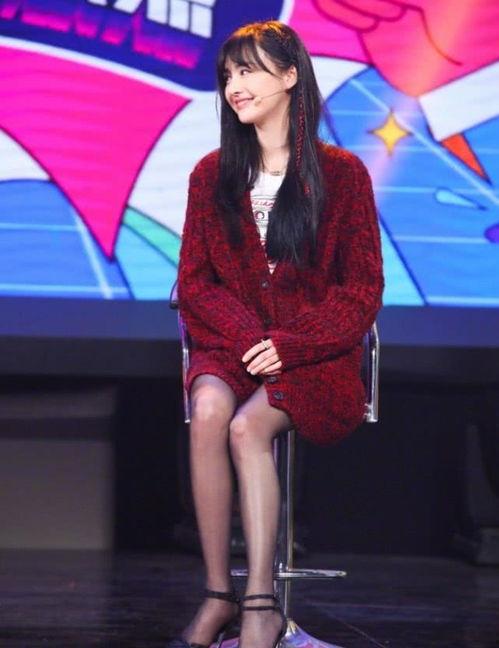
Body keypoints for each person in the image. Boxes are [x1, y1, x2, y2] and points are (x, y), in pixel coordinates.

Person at [169, 19, 384, 648]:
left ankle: (260, 604)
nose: (235, 86)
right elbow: (195, 283)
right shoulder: (211, 175)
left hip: (315, 355)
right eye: (228, 75)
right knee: (210, 411)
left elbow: (361, 290)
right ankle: (218, 595)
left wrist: (289, 345)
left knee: (246, 427)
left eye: (249, 70)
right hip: (233, 347)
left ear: (290, 76)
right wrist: (248, 339)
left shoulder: (342, 175)